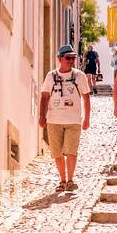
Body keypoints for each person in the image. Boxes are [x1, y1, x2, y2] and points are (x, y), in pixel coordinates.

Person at [39, 44, 91, 193]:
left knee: (71, 151)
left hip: (73, 120)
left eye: (73, 58)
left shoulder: (79, 76)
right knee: (57, 152)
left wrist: (86, 118)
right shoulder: (51, 76)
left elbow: (86, 98)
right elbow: (44, 97)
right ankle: (62, 180)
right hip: (54, 120)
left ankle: (70, 180)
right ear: (59, 59)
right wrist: (42, 116)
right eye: (68, 58)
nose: (71, 61)